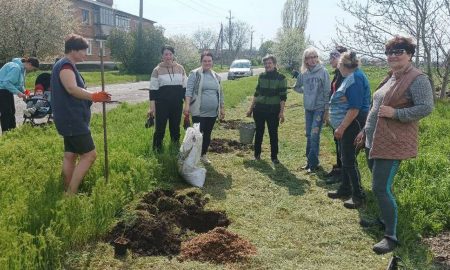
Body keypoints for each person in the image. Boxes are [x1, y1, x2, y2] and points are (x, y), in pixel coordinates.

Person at [354, 36, 433, 254]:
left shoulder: (417, 79)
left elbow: (426, 107)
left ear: (409, 54)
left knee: (381, 187)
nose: (392, 56)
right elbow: (375, 107)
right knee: (379, 186)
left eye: (399, 51)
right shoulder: (391, 77)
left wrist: (397, 113)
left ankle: (391, 235)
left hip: (393, 142)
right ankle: (383, 218)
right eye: (389, 52)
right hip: (374, 139)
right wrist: (364, 131)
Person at [51, 34, 111, 194]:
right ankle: (71, 193)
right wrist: (94, 96)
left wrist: (93, 97)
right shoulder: (66, 66)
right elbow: (72, 88)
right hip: (72, 119)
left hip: (67, 118)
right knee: (90, 155)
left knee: (70, 155)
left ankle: (67, 189)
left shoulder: (63, 65)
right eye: (84, 50)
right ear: (73, 50)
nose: (86, 54)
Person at [327, 51, 371, 209]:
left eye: (339, 65)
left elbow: (355, 108)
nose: (338, 68)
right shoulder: (352, 76)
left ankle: (358, 195)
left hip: (354, 122)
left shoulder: (356, 79)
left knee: (349, 159)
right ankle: (345, 188)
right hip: (350, 121)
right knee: (345, 157)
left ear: (343, 66)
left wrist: (341, 127)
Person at [184, 51, 224, 164]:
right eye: (205, 61)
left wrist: (222, 107)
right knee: (198, 135)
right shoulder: (195, 74)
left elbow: (220, 93)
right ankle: (194, 156)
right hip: (198, 112)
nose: (207, 63)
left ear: (212, 62)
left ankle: (203, 155)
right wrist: (186, 106)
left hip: (212, 112)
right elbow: (189, 91)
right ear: (201, 62)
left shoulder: (216, 76)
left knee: (207, 134)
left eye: (209, 61)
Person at [294, 47, 330, 173]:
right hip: (308, 109)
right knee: (309, 135)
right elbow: (296, 87)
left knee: (314, 135)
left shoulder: (323, 72)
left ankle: (313, 164)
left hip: (319, 109)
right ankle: (309, 161)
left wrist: (326, 110)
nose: (313, 59)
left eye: (315, 56)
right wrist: (306, 92)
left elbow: (327, 92)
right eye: (310, 57)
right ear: (306, 60)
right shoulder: (304, 73)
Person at [246, 54, 287, 164]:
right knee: (259, 132)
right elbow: (256, 93)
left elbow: (283, 97)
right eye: (265, 63)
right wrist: (250, 109)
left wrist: (281, 112)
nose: (267, 65)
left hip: (273, 110)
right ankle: (257, 155)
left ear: (274, 64)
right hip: (259, 109)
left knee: (273, 133)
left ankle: (274, 157)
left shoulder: (281, 78)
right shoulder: (261, 76)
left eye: (269, 63)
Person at [148, 45, 187, 151]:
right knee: (160, 129)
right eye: (166, 54)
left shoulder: (180, 68)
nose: (168, 56)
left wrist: (187, 105)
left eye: (170, 54)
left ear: (173, 55)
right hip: (161, 105)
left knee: (175, 128)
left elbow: (185, 88)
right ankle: (157, 149)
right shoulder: (157, 70)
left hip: (177, 104)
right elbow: (153, 90)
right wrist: (151, 108)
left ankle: (174, 147)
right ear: (162, 56)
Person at [325, 46, 348, 184]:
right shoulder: (337, 75)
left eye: (333, 57)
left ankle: (343, 174)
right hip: (337, 116)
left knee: (343, 146)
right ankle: (339, 168)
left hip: (343, 117)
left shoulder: (345, 76)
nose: (330, 60)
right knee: (338, 144)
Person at [0, 57, 39, 133]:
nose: (31, 71)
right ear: (29, 64)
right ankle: (6, 133)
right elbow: (6, 83)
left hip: (7, 90)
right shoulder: (16, 68)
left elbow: (20, 85)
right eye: (33, 68)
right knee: (6, 112)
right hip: (2, 90)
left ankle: (12, 130)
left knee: (12, 111)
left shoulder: (22, 69)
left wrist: (26, 93)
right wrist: (19, 93)